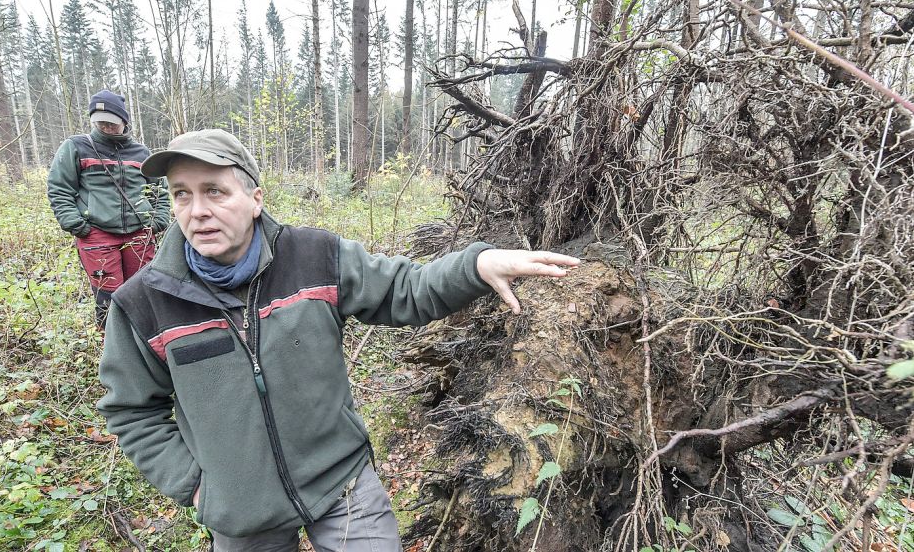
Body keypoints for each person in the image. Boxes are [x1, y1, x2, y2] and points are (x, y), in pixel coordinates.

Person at [96, 129, 580, 551]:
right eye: (181, 194)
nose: (197, 211)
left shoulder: (315, 257)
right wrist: (198, 486)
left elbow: (406, 290)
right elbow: (132, 410)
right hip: (241, 514)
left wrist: (476, 265)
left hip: (341, 484)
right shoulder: (144, 302)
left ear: (255, 198)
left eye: (215, 192)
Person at [46, 90, 170, 329]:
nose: (106, 127)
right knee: (108, 296)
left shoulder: (141, 153)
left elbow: (159, 191)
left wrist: (158, 220)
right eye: (100, 122)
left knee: (142, 291)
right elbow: (59, 188)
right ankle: (112, 348)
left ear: (124, 122)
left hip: (138, 234)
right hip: (97, 235)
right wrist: (77, 225)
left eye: (112, 123)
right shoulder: (77, 147)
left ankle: (145, 342)